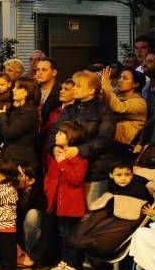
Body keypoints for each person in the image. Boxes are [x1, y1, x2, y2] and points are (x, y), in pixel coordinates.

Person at [64, 159, 152, 270]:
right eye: (119, 175)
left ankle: (93, 244)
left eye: (127, 175)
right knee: (94, 220)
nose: (123, 178)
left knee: (114, 230)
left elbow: (146, 203)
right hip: (113, 215)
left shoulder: (139, 188)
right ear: (111, 175)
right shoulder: (112, 185)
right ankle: (79, 241)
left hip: (129, 215)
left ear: (132, 175)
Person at [53, 70, 117, 205]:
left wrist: (79, 149)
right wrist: (54, 148)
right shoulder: (70, 109)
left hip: (94, 170)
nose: (73, 88)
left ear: (91, 90)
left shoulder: (103, 110)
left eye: (78, 85)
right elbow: (54, 131)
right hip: (69, 168)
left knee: (89, 212)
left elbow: (105, 140)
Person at [45, 121, 89, 270]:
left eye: (60, 133)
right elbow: (51, 176)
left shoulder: (79, 158)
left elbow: (76, 179)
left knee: (72, 235)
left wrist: (63, 163)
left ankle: (74, 266)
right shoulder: (56, 154)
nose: (56, 136)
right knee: (63, 234)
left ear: (70, 136)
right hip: (58, 202)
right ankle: (64, 260)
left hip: (72, 204)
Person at [0, 76, 41, 167]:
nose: (13, 90)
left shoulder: (30, 112)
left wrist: (2, 114)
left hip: (19, 160)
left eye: (17, 88)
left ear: (27, 92)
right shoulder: (20, 109)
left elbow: (9, 132)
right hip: (12, 156)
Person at [101, 66, 147, 150]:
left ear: (135, 84)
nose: (119, 80)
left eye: (125, 78)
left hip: (128, 150)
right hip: (113, 145)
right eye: (120, 77)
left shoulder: (140, 103)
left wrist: (106, 86)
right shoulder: (118, 97)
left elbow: (119, 107)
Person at [36, 58, 61, 135]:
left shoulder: (61, 91)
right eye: (38, 70)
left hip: (51, 134)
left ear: (54, 72)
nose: (39, 73)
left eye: (44, 70)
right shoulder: (33, 89)